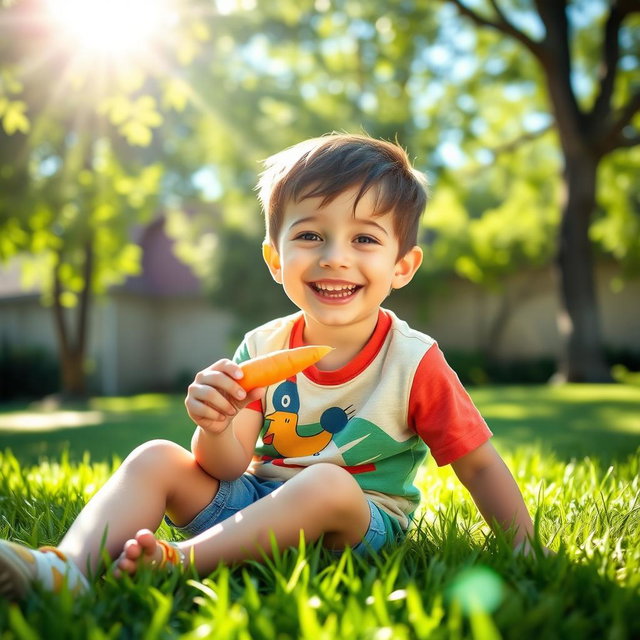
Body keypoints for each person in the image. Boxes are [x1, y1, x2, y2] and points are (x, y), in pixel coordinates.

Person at [0, 133, 539, 600]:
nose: (334, 256)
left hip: (354, 524)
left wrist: (523, 547)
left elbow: (480, 465)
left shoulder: (414, 360)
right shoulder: (262, 346)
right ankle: (65, 568)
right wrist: (213, 425)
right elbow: (229, 465)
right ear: (276, 258)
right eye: (309, 235)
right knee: (155, 457)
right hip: (252, 500)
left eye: (365, 239)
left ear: (402, 265)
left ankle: (180, 562)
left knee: (325, 482)